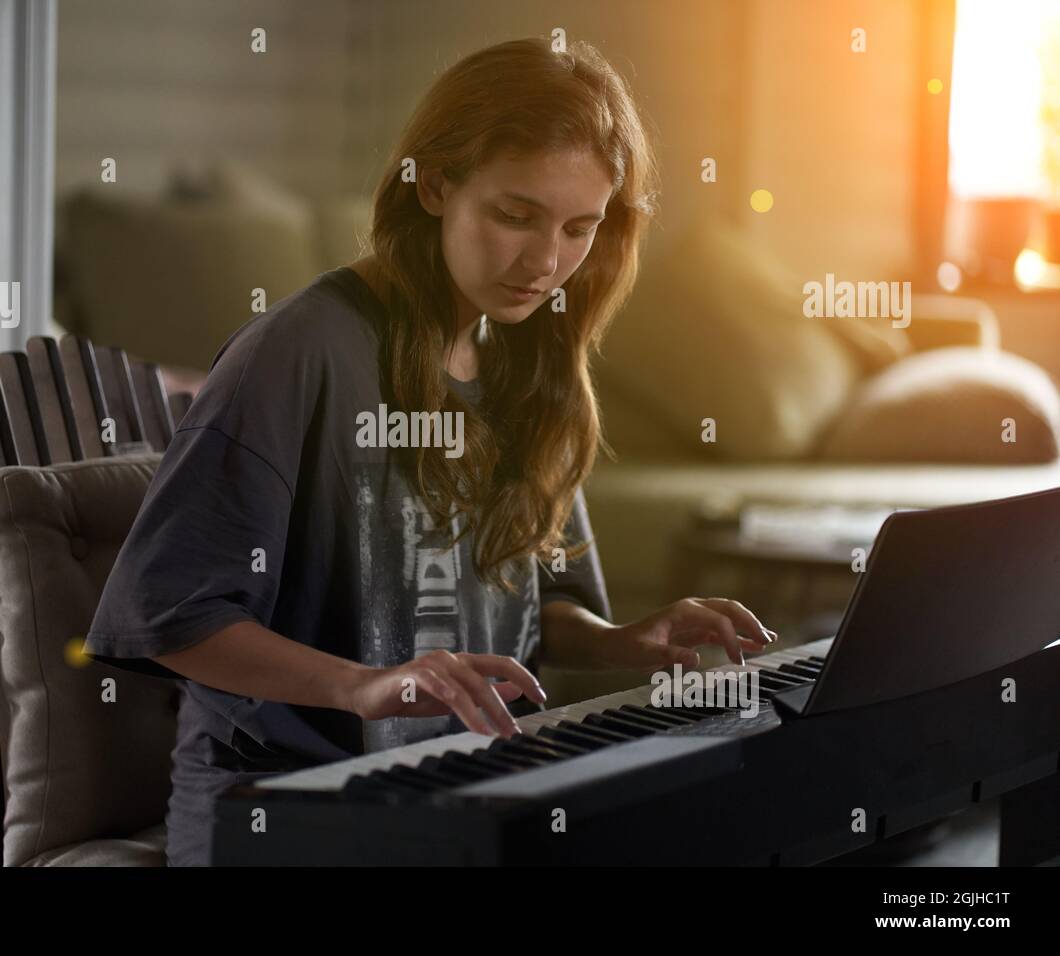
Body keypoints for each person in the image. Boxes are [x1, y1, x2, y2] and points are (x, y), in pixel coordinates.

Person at [84, 36, 777, 867]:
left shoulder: (529, 360)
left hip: (459, 791)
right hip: (284, 810)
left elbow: (531, 613)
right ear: (435, 182)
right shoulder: (302, 350)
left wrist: (618, 638)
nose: (545, 263)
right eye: (515, 216)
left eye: (578, 229)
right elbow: (169, 616)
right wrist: (363, 685)